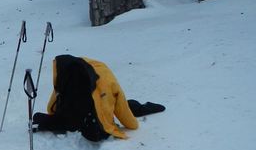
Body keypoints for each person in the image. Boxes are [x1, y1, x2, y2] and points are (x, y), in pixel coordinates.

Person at [33, 55, 165, 142]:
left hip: (82, 114)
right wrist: (132, 125)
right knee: (119, 106)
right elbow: (121, 106)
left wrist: (53, 112)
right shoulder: (74, 74)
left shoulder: (69, 74)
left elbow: (57, 95)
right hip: (91, 119)